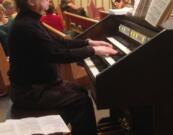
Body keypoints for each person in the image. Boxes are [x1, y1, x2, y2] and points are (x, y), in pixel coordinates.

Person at [8, 0, 118, 135]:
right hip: (30, 92)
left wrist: (88, 42)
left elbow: (57, 42)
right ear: (31, 2)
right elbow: (57, 54)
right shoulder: (26, 27)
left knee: (81, 91)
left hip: (39, 86)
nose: (49, 0)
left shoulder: (29, 21)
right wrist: (93, 51)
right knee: (81, 100)